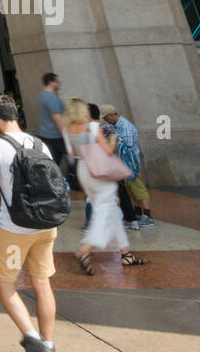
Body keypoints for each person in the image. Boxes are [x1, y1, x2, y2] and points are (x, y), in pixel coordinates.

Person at [0, 94, 61, 352]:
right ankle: (50, 349)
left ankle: (34, 343)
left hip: (13, 228)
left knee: (6, 285)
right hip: (45, 226)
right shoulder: (40, 144)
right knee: (42, 283)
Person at [63, 97, 148, 274]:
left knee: (110, 211)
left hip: (83, 170)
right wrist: (114, 140)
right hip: (99, 170)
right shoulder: (92, 127)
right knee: (105, 210)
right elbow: (108, 151)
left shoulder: (67, 130)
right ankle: (86, 249)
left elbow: (71, 153)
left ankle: (126, 253)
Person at [100, 104, 154, 226]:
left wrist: (114, 139)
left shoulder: (126, 127)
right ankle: (139, 213)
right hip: (121, 163)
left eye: (105, 117)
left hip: (130, 164)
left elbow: (128, 144)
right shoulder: (113, 126)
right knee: (130, 190)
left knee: (139, 189)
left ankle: (148, 216)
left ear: (111, 115)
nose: (105, 120)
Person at [38, 72, 65, 169]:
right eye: (57, 82)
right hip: (55, 135)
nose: (59, 84)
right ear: (51, 82)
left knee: (53, 162)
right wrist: (65, 135)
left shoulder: (42, 95)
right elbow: (57, 119)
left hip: (46, 134)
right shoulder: (51, 98)